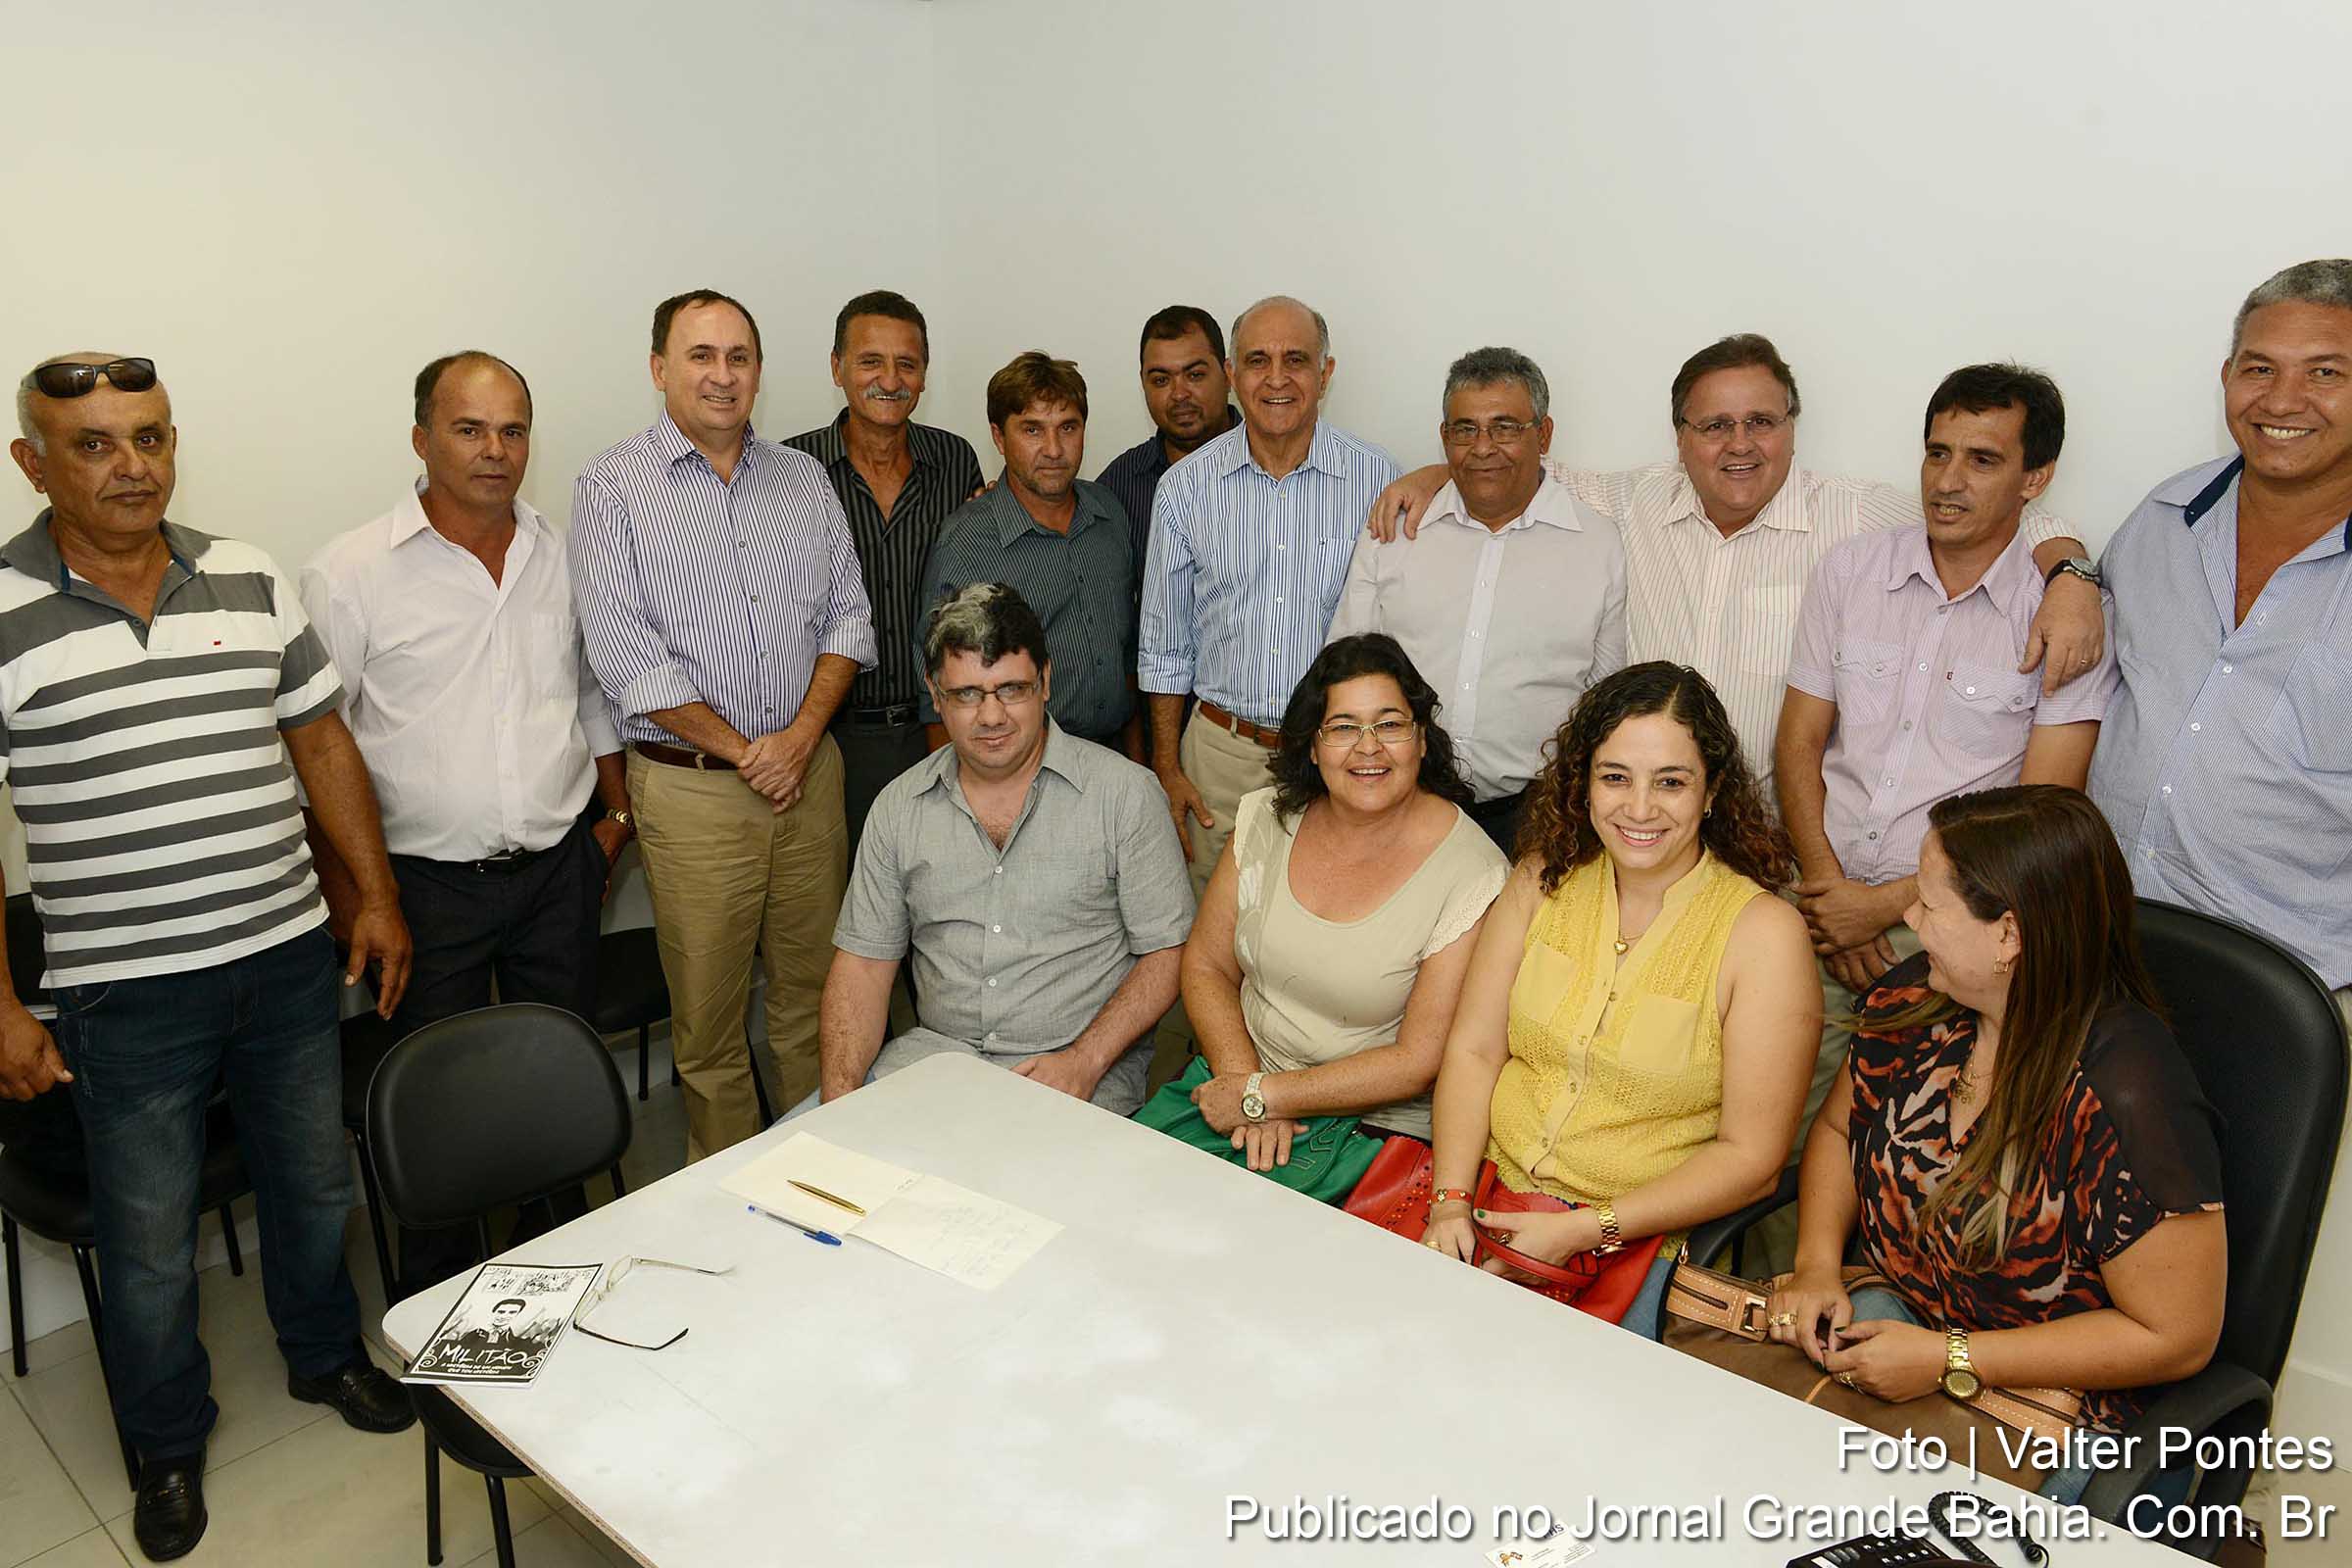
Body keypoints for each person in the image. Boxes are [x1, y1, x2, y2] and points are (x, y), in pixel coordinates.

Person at [2, 354, 416, 1560]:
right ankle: (168, 1446)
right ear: (34, 463)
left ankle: (326, 1359)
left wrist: (372, 896)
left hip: (286, 956)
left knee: (311, 1186)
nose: (129, 464)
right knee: (145, 1243)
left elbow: (321, 740)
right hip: (124, 996)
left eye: (148, 436)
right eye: (91, 443)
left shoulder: (243, 571)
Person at [1362, 334, 2107, 789]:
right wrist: (1436, 472)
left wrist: (2069, 573)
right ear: (1680, 435)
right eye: (1714, 425)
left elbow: (1981, 505)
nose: (1739, 444)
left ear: (1792, 427)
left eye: (1761, 421)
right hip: (1643, 825)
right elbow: (1508, 466)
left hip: (1777, 846)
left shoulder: (1854, 515)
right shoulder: (1631, 501)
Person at [1767, 788, 2225, 1505]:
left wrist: (1950, 1358)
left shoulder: (2129, 1095)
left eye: (1929, 904)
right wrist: (1818, 1265)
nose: (1910, 920)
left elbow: (2177, 1335)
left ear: (2008, 935)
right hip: (1898, 1343)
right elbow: (1835, 1130)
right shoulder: (1916, 1001)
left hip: (2047, 1417)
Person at [302, 350, 634, 1286]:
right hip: (419, 889)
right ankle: (442, 1308)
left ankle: (558, 1282)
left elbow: (591, 695)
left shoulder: (561, 553)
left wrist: (612, 822)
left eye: (513, 430)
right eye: (469, 428)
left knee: (553, 1081)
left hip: (556, 873)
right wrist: (358, 896)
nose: (495, 451)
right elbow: (316, 750)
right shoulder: (350, 571)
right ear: (421, 438)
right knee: (436, 1108)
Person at [1420, 662, 1818, 1336]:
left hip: (1631, 1244)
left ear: (1713, 790)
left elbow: (1751, 1160)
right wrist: (1451, 1203)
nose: (1639, 808)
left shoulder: (1763, 934)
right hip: (1482, 1200)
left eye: (1671, 782)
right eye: (1615, 777)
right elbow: (1475, 1048)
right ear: (1583, 781)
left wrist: (1587, 1227)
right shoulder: (1542, 878)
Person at [572, 290, 878, 1158]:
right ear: (660, 368)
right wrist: (751, 753)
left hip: (807, 780)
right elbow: (627, 663)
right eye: (701, 356)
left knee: (812, 1003)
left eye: (739, 356)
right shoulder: (611, 487)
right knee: (707, 1032)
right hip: (694, 794)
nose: (722, 375)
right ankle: (737, 1217)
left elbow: (849, 624)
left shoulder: (804, 480)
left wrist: (798, 741)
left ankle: (825, 1183)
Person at [1777, 364, 2116, 1146]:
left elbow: (2039, 821)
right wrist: (1830, 892)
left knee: (1907, 1141)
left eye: (1983, 460)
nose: (1949, 482)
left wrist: (1889, 907)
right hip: (1816, 905)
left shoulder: (2065, 620)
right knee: (1771, 1121)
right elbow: (1798, 740)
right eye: (1938, 453)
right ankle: (1768, 1271)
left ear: (2038, 478)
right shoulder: (1851, 572)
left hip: (1957, 933)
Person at [1133, 634, 1506, 1197]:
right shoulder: (1266, 818)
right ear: (1312, 746)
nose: (1368, 747)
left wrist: (1270, 1096)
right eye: (1344, 728)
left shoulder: (1474, 871)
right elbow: (1208, 964)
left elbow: (1417, 1059)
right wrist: (1245, 1084)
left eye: (1389, 724)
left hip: (1369, 1134)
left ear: (1421, 740)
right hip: (1234, 1085)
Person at [2089, 258, 2352, 1025]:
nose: (2281, 400)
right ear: (2227, 376)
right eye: (2259, 368)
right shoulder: (2163, 519)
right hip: (2105, 959)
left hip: (2295, 995)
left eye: (2325, 372)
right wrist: (2068, 566)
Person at [817, 584, 1191, 1116]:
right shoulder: (899, 807)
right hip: (932, 1067)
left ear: (1045, 682)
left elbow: (1169, 952)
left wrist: (1085, 1060)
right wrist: (839, 1106)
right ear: (935, 693)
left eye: (1011, 689)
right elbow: (862, 968)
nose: (991, 717)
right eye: (968, 693)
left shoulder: (1125, 796)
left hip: (1071, 1075)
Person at [1137, 295, 1402, 904]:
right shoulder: (1183, 490)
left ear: (1325, 373)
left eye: (1296, 360)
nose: (1277, 379)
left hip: (1340, 755)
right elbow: (1163, 645)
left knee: (1329, 923)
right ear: (1232, 375)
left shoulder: (1379, 478)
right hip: (1221, 758)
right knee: (1213, 932)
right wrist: (1168, 768)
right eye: (1258, 360)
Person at [1328, 347, 1627, 854]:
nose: (1483, 446)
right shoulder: (1393, 532)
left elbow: (1607, 698)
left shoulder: (1598, 544)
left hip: (1535, 818)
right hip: (1402, 806)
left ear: (1544, 434)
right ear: (1444, 438)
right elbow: (1345, 670)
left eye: (1505, 427)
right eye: (1465, 429)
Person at [783, 291, 984, 848]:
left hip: (937, 731)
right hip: (828, 739)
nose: (889, 379)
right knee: (836, 910)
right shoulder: (791, 470)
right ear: (837, 367)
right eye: (871, 361)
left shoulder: (955, 461)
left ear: (924, 375)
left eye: (907, 364)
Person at [918, 353, 1143, 756]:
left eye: (1068, 427)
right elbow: (934, 690)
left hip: (1116, 759)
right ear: (999, 438)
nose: (1054, 449)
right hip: (1021, 764)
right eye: (1032, 430)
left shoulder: (1109, 513)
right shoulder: (968, 542)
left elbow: (1127, 658)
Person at [1096, 304, 1240, 576]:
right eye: (1161, 380)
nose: (1179, 394)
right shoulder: (1119, 485)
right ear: (1143, 383)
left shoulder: (1275, 467)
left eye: (1195, 375)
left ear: (1228, 375)